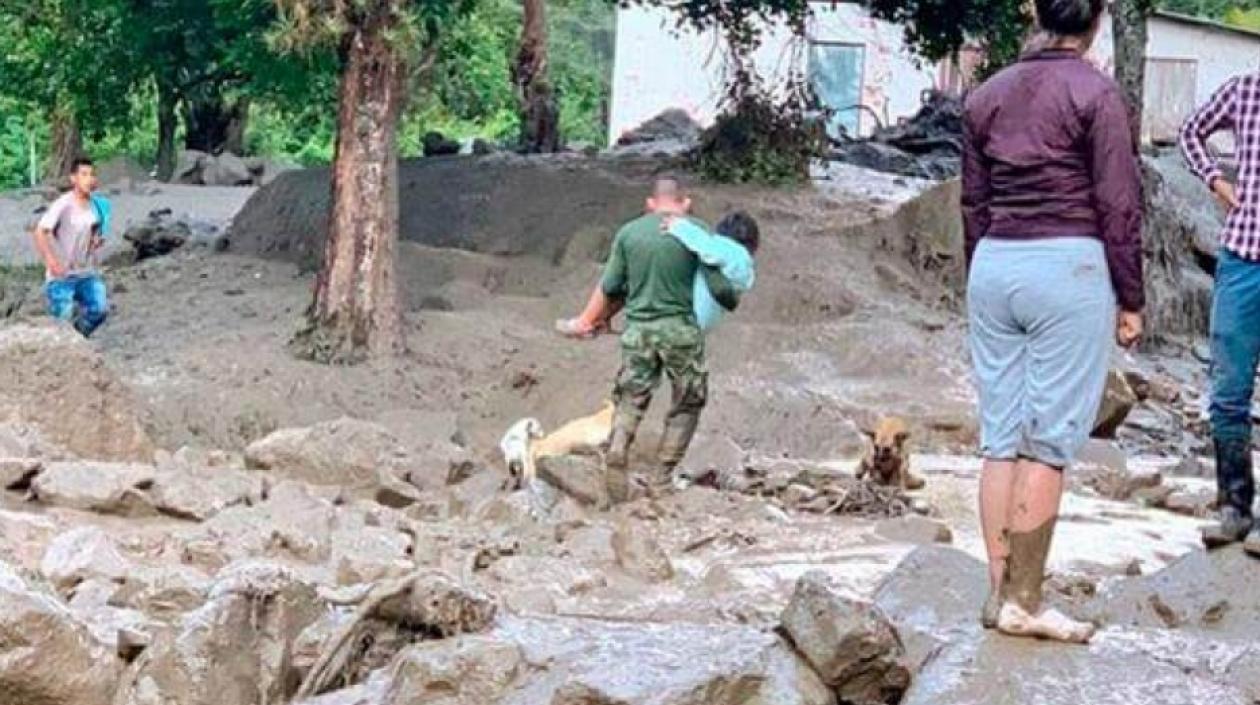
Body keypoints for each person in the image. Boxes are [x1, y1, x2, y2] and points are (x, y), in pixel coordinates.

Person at [961, 0, 1143, 643]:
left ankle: (997, 591)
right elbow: (1118, 203)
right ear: (1096, 20)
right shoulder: (1098, 93)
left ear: (1034, 12)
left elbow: (973, 203)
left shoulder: (986, 95)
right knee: (1049, 441)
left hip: (994, 264)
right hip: (1068, 265)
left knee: (1000, 436)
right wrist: (1131, 298)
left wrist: (978, 274)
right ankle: (1027, 601)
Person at [592, 177, 744, 501]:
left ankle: (618, 447)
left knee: (631, 396)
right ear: (684, 202)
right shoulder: (694, 230)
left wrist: (596, 320)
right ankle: (661, 478)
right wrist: (732, 298)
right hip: (680, 331)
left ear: (651, 203)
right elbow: (718, 288)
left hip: (638, 331)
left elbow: (611, 287)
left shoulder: (629, 233)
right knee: (688, 401)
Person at [1180, 69, 1260, 553]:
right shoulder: (1245, 90)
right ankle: (1234, 508)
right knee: (1228, 389)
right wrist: (1214, 178)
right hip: (1243, 256)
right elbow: (1191, 132)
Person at [557, 210, 759, 337]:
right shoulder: (743, 268)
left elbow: (709, 248)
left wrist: (680, 227)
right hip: (692, 327)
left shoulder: (733, 253)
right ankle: (599, 321)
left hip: (677, 320)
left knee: (632, 279)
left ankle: (587, 321)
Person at [33, 157, 111, 337]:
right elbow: (40, 231)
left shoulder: (97, 206)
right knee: (62, 318)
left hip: (86, 271)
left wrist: (95, 241)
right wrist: (51, 260)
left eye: (91, 175)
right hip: (62, 275)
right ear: (73, 178)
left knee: (100, 309)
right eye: (83, 174)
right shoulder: (63, 204)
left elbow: (95, 232)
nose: (88, 179)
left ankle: (78, 338)